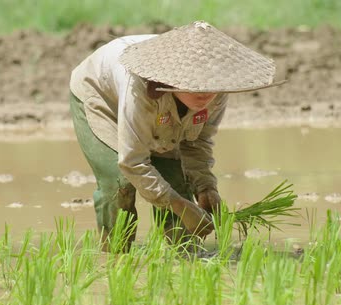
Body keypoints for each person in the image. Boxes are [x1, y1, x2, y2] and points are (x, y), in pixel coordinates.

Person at [68, 21, 284, 252]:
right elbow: (133, 162)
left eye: (210, 85)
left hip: (160, 114)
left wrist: (205, 187)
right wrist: (180, 206)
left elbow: (198, 141)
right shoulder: (140, 88)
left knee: (177, 183)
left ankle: (184, 258)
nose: (204, 94)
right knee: (120, 183)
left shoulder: (217, 92)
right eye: (194, 85)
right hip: (102, 96)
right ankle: (115, 255)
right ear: (171, 78)